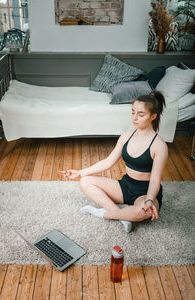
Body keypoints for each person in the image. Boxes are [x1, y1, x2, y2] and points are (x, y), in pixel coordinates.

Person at [59, 91, 168, 233]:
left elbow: (155, 180)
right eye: (133, 112)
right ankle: (122, 216)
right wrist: (79, 172)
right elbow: (108, 162)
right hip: (125, 185)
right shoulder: (126, 136)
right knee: (85, 181)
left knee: (143, 213)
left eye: (141, 115)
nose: (134, 118)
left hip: (145, 191)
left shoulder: (159, 146)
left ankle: (102, 213)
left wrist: (149, 200)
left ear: (153, 116)